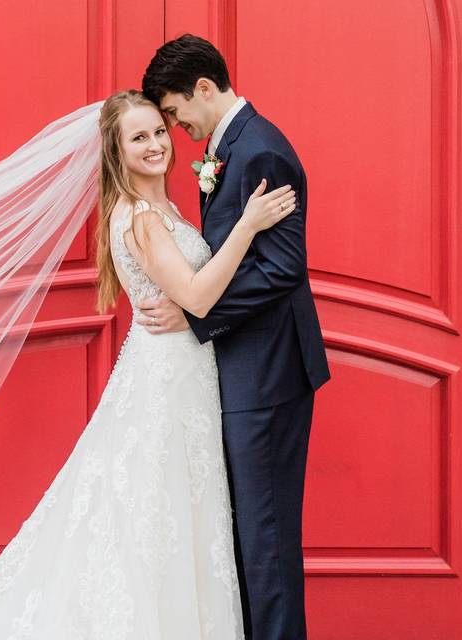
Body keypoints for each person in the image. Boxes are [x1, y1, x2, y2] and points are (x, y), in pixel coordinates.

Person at [0, 90, 296, 639]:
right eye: (139, 138)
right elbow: (198, 298)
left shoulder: (161, 210)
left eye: (160, 132)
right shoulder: (139, 217)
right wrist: (249, 225)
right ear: (115, 151)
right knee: (155, 513)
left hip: (182, 375)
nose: (157, 144)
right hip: (166, 382)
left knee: (173, 511)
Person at [140, 34, 331, 640]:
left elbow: (280, 268)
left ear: (203, 87)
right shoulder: (234, 148)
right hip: (246, 369)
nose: (174, 128)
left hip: (268, 375)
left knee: (266, 542)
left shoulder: (260, 152)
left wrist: (196, 316)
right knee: (249, 539)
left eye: (174, 112)